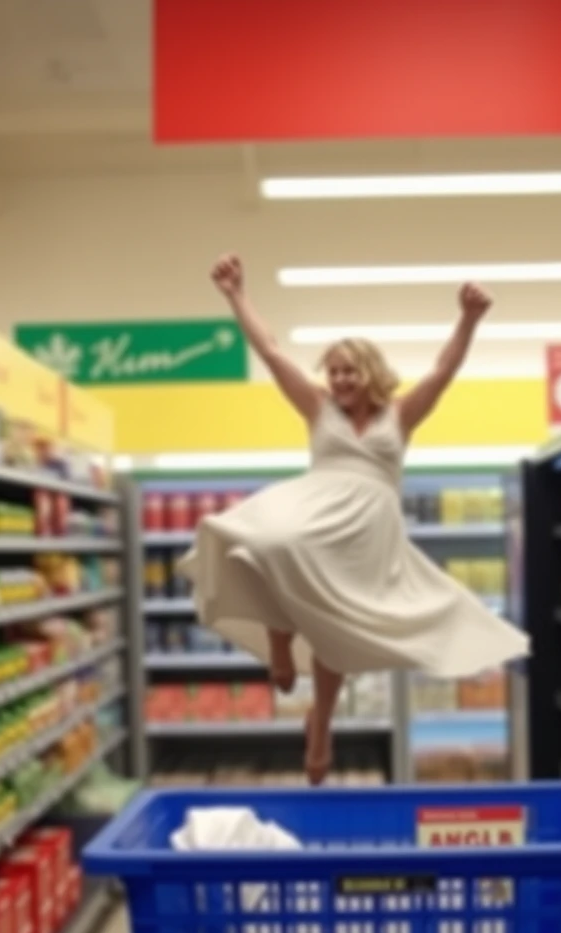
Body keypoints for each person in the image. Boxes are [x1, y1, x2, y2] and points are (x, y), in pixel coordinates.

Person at [179, 254, 530, 784]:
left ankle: (320, 729)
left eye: (349, 370)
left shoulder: (401, 416)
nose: (339, 379)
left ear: (371, 372)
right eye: (333, 371)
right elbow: (271, 351)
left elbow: (443, 370)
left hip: (367, 533)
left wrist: (468, 320)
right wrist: (236, 296)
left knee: (337, 630)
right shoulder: (318, 408)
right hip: (316, 508)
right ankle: (278, 638)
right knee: (264, 542)